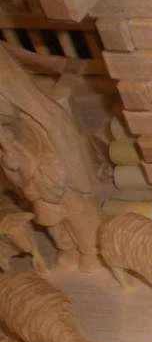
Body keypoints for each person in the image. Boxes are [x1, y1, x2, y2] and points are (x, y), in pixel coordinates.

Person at [0, 96, 100, 271]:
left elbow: (54, 157)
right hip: (37, 193)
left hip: (57, 184)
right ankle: (68, 249)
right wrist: (17, 172)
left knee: (78, 218)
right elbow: (16, 177)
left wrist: (46, 177)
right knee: (52, 223)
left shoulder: (34, 131)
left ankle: (90, 251)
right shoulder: (7, 154)